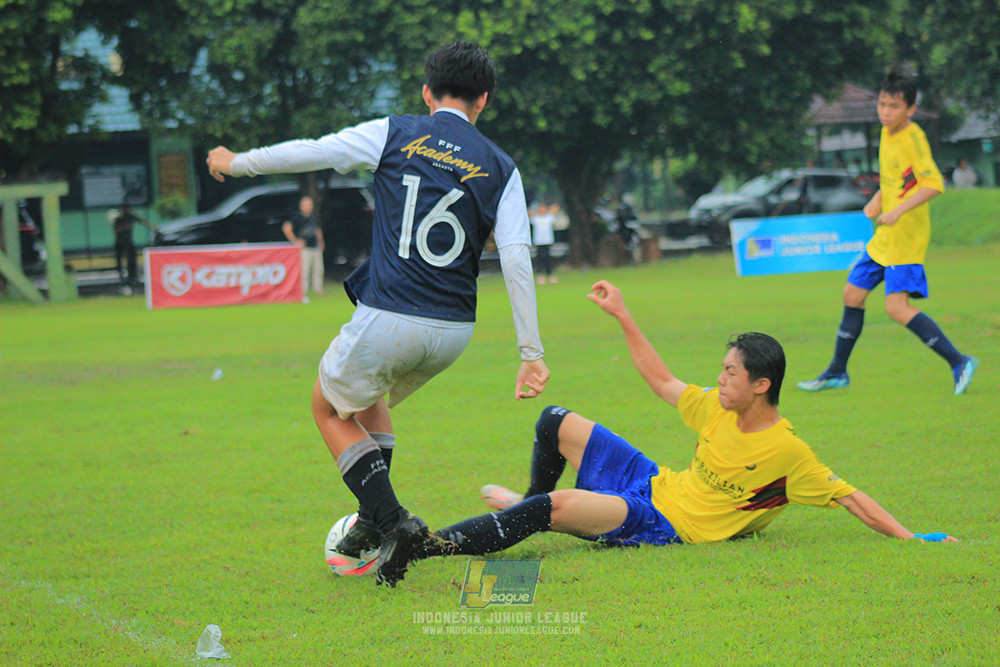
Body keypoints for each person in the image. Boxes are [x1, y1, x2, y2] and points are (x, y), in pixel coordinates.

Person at [205, 40, 551, 586]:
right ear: (483, 100)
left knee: (326, 408)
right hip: (454, 331)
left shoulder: (397, 131)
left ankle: (392, 521)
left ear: (426, 91)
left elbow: (313, 150)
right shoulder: (503, 168)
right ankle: (370, 522)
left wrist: (236, 162)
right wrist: (530, 353)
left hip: (392, 313)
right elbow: (515, 258)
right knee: (368, 402)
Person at [400, 280, 955, 578]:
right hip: (653, 480)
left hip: (663, 522)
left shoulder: (789, 453)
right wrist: (622, 314)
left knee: (556, 510)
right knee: (555, 422)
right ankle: (524, 501)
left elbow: (851, 497)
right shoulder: (718, 405)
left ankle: (424, 548)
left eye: (731, 372)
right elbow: (662, 380)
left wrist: (910, 538)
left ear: (761, 385)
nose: (720, 379)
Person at [798, 72, 977, 396]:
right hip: (885, 236)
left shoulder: (913, 137)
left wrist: (896, 211)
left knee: (896, 308)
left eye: (894, 106)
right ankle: (837, 372)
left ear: (910, 109)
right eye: (882, 104)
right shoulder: (886, 132)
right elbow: (895, 179)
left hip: (906, 237)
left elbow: (934, 183)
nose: (886, 112)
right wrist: (878, 200)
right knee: (852, 294)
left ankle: (959, 361)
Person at [282, 195, 325, 300]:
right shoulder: (297, 217)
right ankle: (303, 290)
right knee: (304, 271)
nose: (308, 207)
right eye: (306, 205)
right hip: (304, 248)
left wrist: (321, 242)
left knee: (319, 269)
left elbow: (317, 230)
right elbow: (286, 228)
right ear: (301, 206)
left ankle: (318, 289)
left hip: (315, 246)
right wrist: (295, 241)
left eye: (310, 205)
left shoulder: (313, 217)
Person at [112, 204, 155, 289]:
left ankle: (133, 276)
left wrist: (152, 227)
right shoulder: (119, 218)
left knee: (131, 259)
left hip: (128, 241)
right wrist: (124, 228)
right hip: (120, 241)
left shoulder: (131, 216)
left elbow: (142, 221)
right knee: (120, 260)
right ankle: (121, 276)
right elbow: (115, 229)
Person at [530, 203, 557, 284]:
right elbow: (530, 214)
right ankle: (540, 275)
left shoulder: (549, 218)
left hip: (547, 241)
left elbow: (553, 212)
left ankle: (549, 275)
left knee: (548, 258)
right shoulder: (535, 218)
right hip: (538, 241)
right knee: (539, 258)